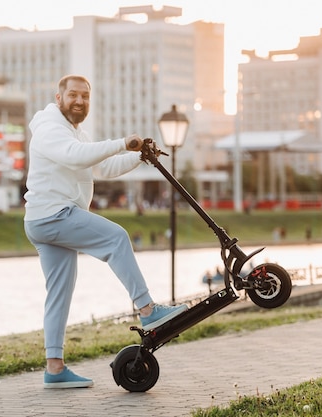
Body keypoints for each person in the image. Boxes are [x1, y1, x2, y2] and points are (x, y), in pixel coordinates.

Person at [23, 74, 188, 389]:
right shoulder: (48, 128)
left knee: (59, 294)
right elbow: (75, 156)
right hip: (54, 215)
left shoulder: (76, 132)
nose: (80, 101)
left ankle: (54, 369)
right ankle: (148, 309)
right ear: (58, 98)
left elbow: (100, 167)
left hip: (45, 219)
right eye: (73, 95)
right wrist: (121, 142)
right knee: (116, 237)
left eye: (85, 96)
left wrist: (137, 156)